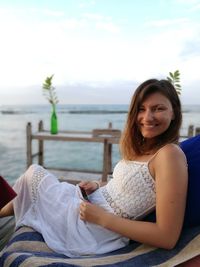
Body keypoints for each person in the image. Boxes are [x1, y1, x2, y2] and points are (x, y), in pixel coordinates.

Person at [0, 79, 188, 257]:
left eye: (158, 109)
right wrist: (99, 185)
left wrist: (101, 218)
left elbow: (166, 236)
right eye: (141, 109)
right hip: (89, 205)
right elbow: (134, 187)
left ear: (174, 112)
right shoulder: (147, 148)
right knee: (33, 177)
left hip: (94, 229)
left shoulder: (169, 155)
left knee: (34, 175)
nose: (147, 117)